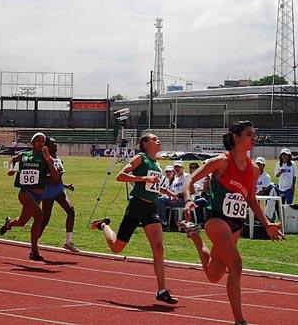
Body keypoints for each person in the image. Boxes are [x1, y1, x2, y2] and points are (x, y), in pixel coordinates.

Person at [179, 120, 284, 325]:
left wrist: (267, 224)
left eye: (254, 134)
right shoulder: (222, 162)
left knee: (213, 275)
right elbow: (190, 179)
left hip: (237, 224)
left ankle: (195, 237)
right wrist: (189, 199)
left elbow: (251, 200)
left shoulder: (254, 169)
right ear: (236, 137)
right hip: (217, 220)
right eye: (249, 134)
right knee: (236, 264)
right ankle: (240, 321)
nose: (253, 138)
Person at [91, 133, 178, 305]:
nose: (158, 140)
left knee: (159, 248)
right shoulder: (141, 158)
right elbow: (121, 176)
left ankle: (162, 290)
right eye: (154, 139)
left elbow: (151, 185)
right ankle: (102, 225)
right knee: (117, 247)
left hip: (151, 209)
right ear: (145, 144)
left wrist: (165, 191)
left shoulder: (156, 164)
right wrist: (142, 178)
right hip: (137, 206)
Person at [0, 132, 59, 261]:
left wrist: (49, 161)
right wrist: (11, 169)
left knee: (21, 222)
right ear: (32, 143)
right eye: (37, 140)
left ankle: (9, 224)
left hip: (38, 196)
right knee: (39, 217)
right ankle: (34, 251)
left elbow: (55, 177)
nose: (40, 143)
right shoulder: (24, 155)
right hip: (25, 193)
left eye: (42, 141)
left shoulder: (46, 158)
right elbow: (12, 159)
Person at [40, 137, 78, 252]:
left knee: (71, 211)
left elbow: (58, 177)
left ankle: (68, 242)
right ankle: (35, 241)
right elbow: (47, 178)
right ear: (46, 146)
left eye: (56, 143)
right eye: (52, 143)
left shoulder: (58, 159)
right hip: (48, 191)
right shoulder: (45, 160)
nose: (55, 145)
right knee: (45, 219)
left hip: (59, 190)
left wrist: (66, 186)